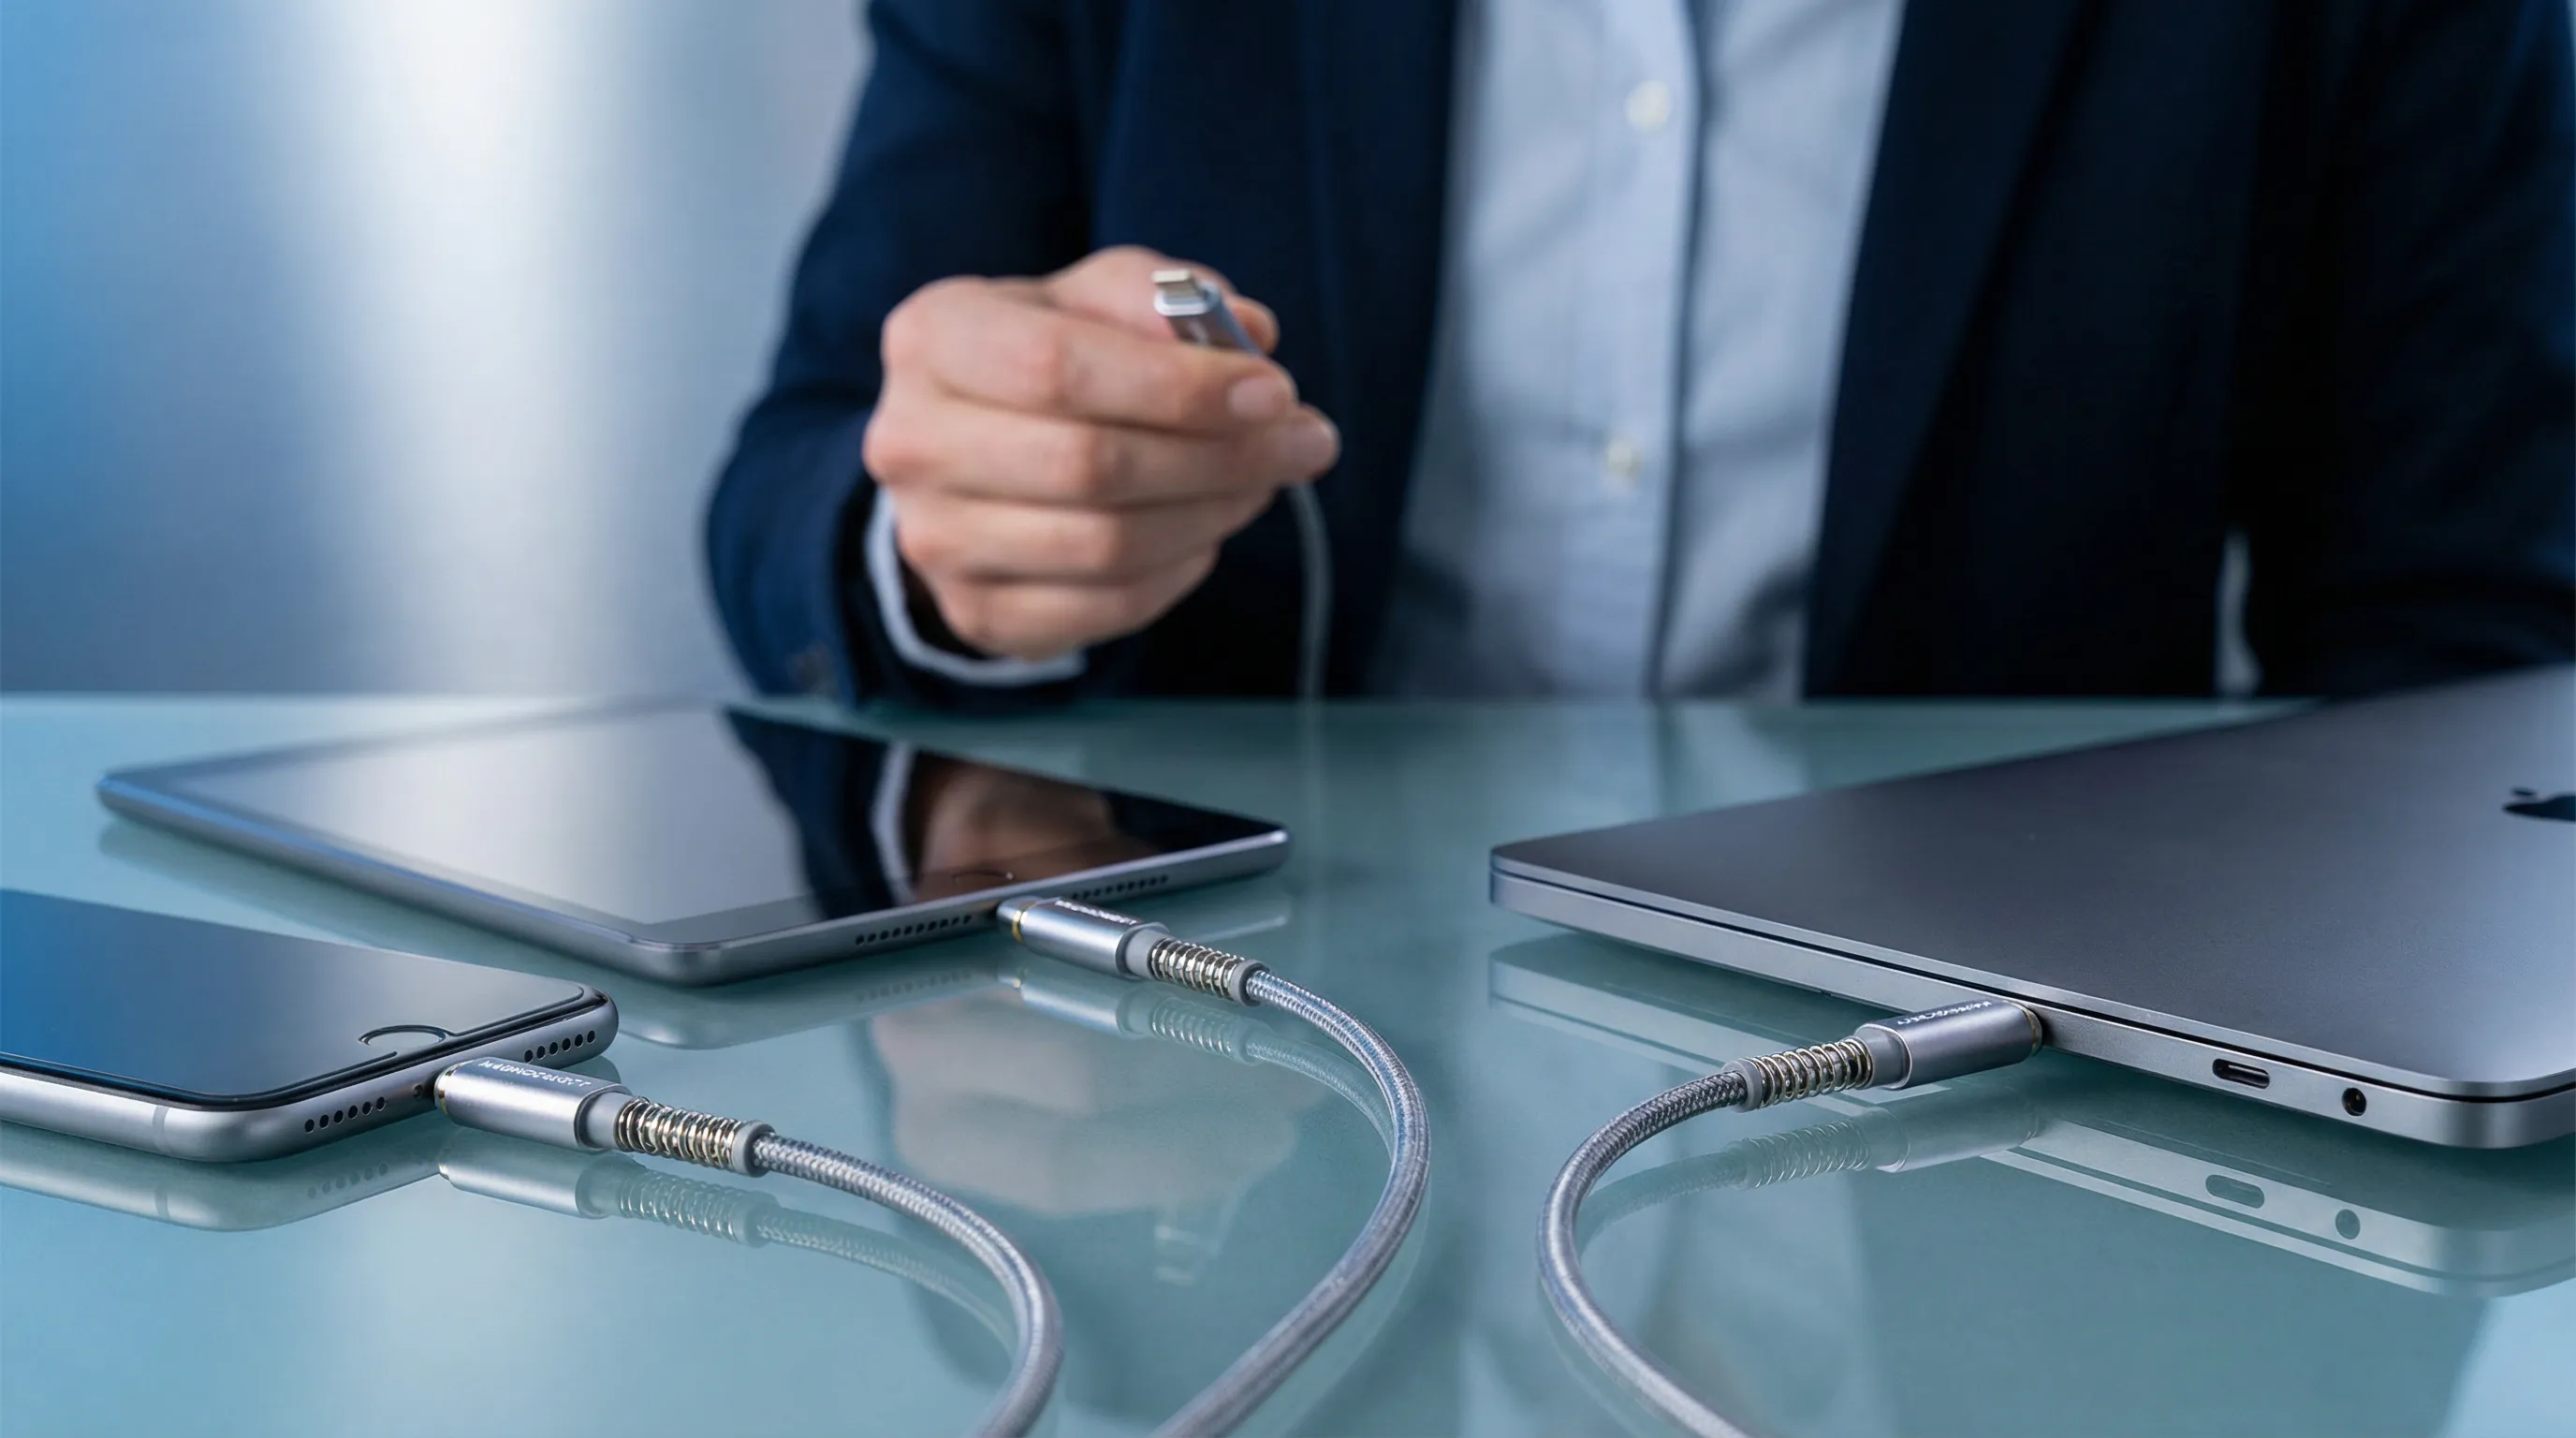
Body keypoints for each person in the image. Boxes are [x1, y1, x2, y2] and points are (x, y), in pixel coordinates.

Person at [708, 0, 2574, 706]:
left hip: (2014, 1133)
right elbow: (801, 475)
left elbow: (2465, 644)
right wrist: (951, 550)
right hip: (1230, 1080)